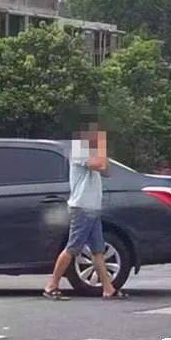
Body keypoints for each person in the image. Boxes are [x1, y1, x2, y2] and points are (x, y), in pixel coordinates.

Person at [43, 128, 126, 300]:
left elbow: (107, 172)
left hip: (92, 208)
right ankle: (52, 286)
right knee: (73, 247)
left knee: (97, 250)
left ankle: (108, 289)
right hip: (81, 208)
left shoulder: (92, 152)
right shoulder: (79, 151)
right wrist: (102, 149)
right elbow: (99, 165)